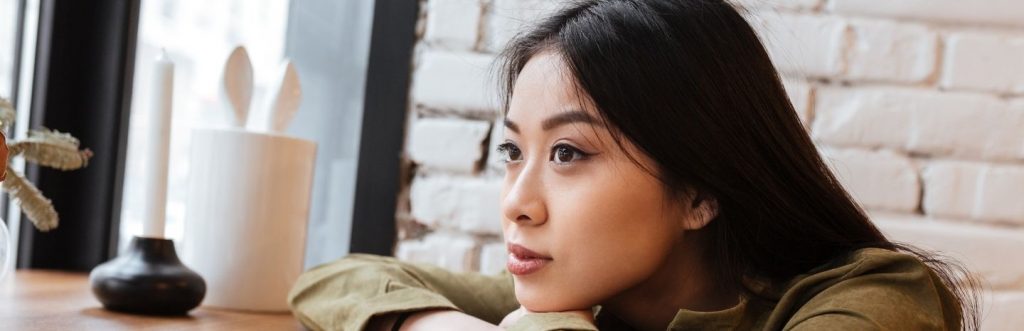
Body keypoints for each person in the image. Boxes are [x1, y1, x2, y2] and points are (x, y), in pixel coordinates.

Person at [288, 0, 979, 330]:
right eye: (513, 151)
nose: (517, 202)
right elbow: (335, 280)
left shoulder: (879, 296)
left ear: (701, 190)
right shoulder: (589, 295)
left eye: (567, 153)